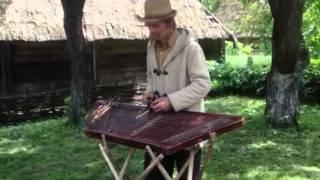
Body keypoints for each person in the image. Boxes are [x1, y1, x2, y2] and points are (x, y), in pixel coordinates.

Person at [140, 0, 211, 179]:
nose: (152, 31)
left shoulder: (191, 49)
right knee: (153, 176)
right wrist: (150, 92)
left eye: (156, 25)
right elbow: (151, 76)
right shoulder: (151, 47)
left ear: (170, 22)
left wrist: (171, 101)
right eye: (149, 26)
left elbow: (202, 84)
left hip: (187, 129)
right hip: (157, 127)